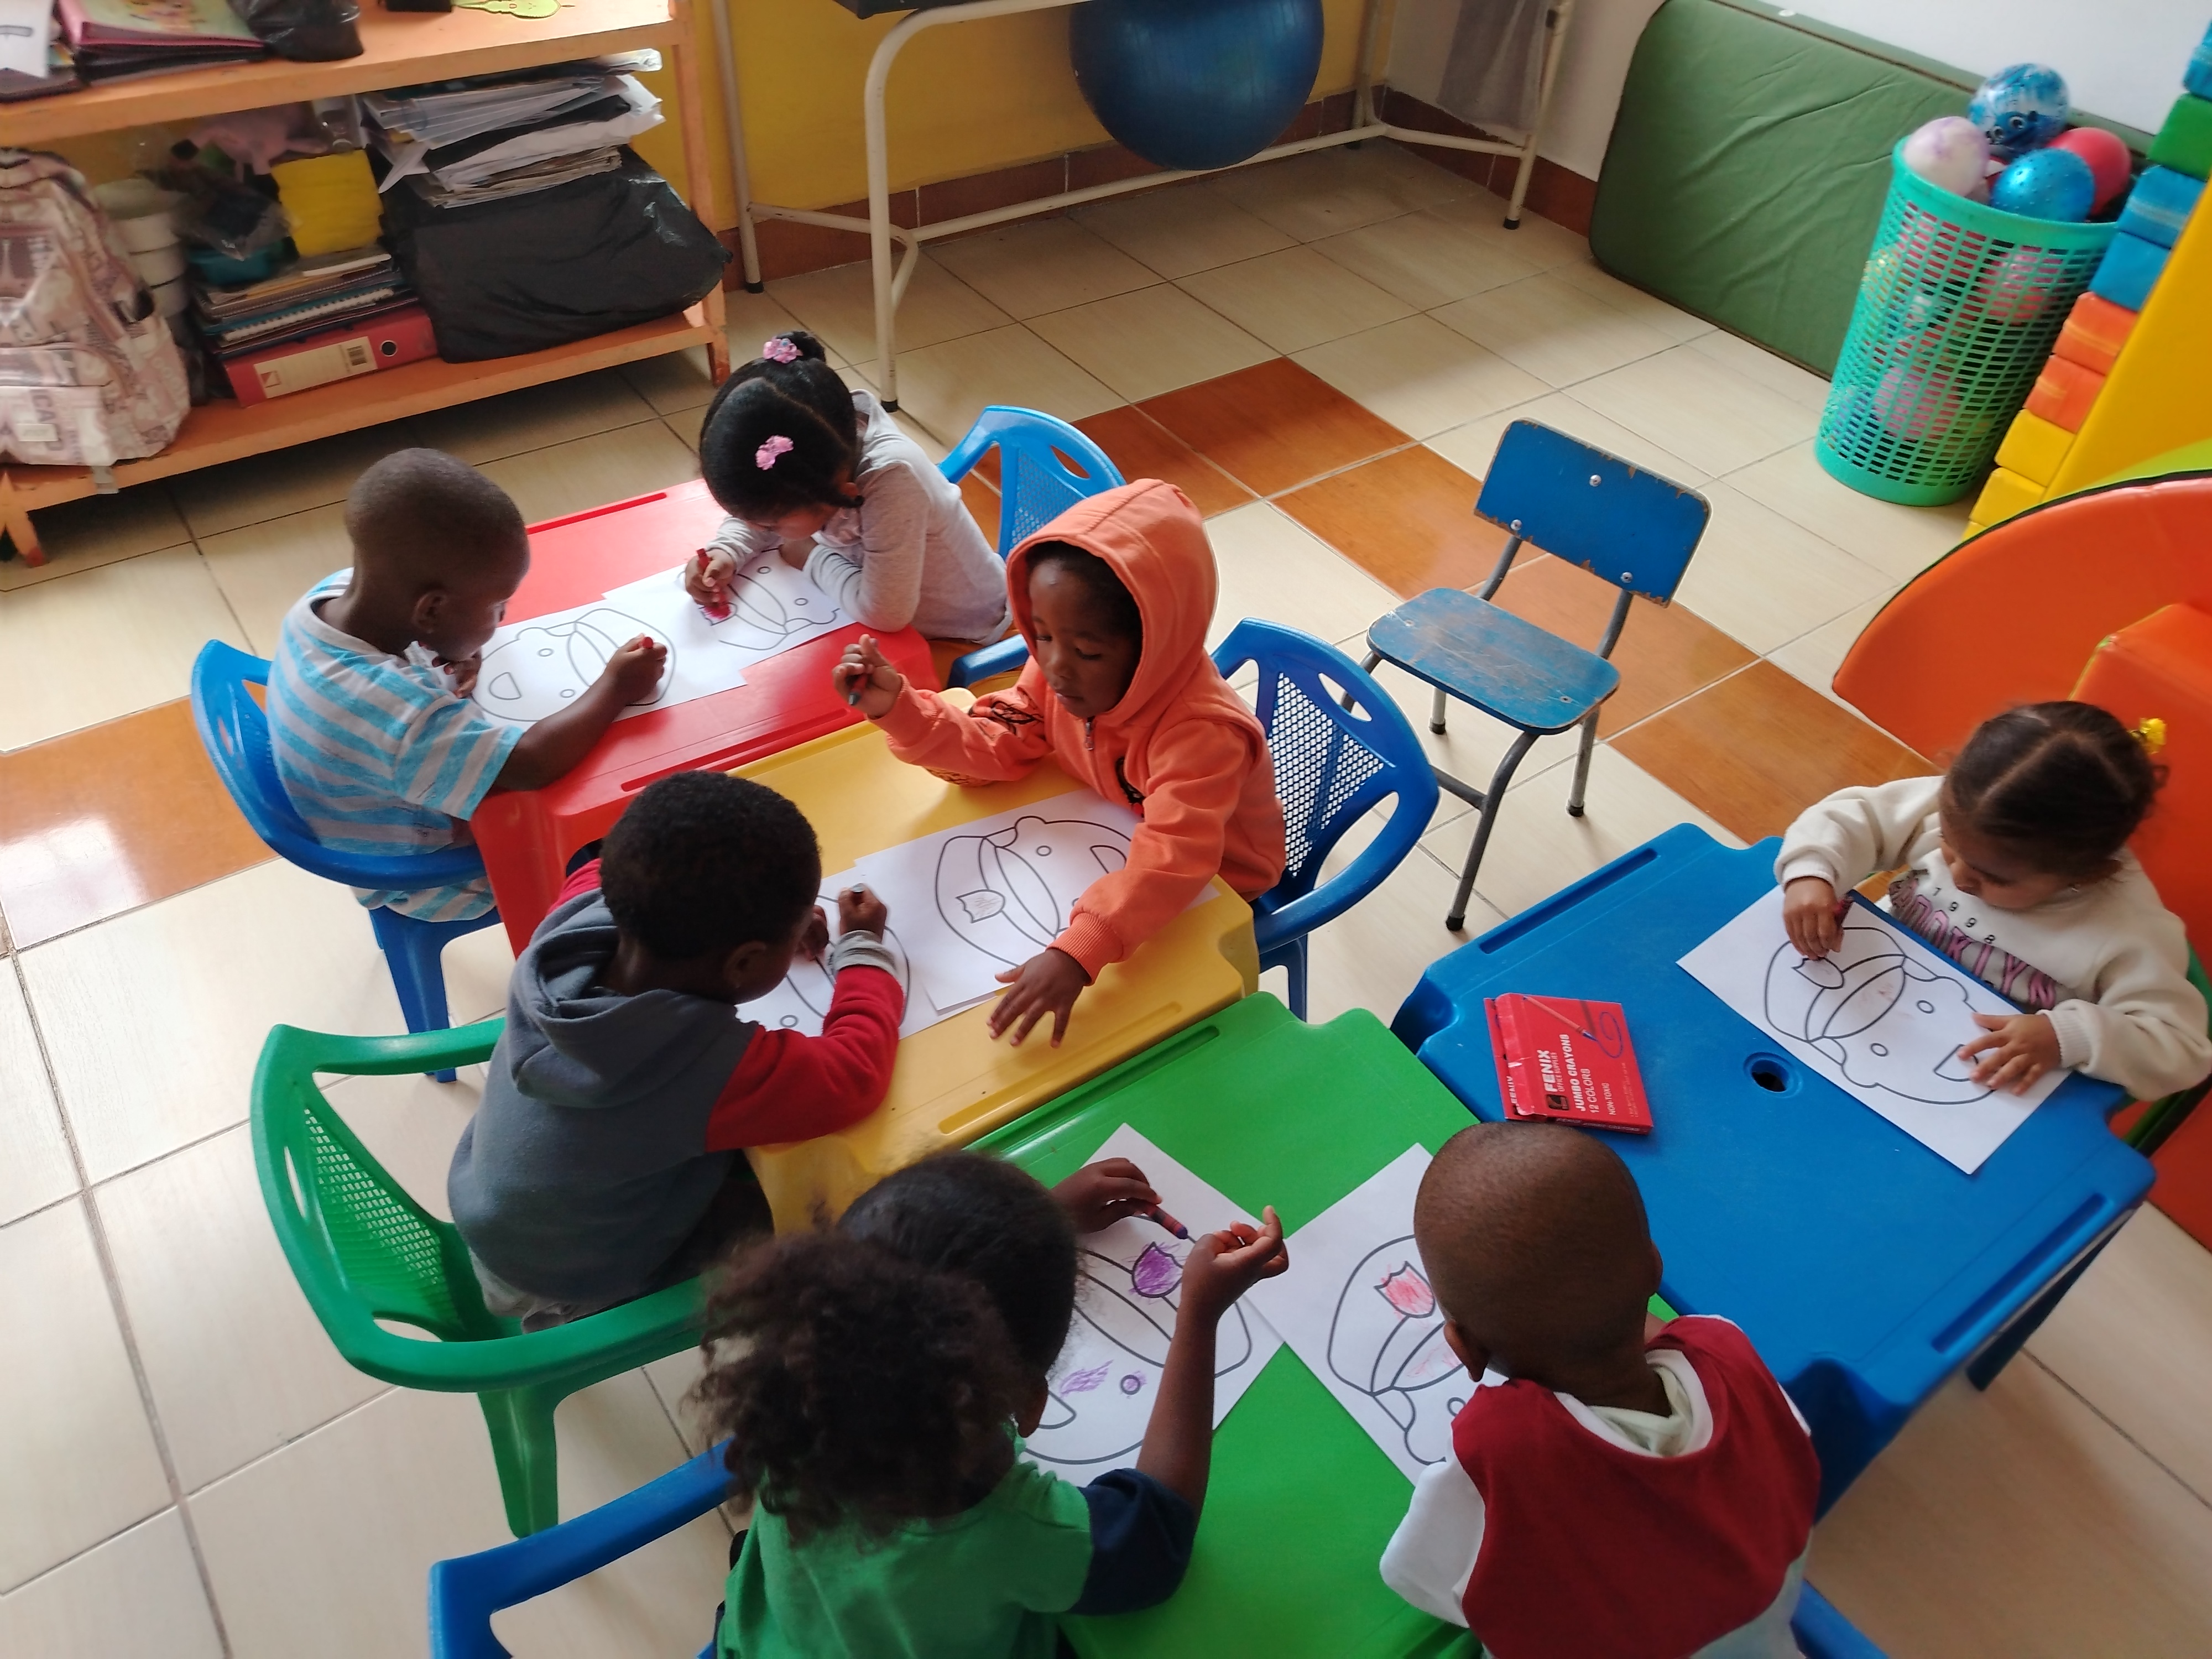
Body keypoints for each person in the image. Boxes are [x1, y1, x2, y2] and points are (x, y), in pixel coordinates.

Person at [693, 1149, 1288, 1658]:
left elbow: (912, 1286)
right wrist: (1199, 1315)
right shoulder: (1008, 1529)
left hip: (758, 1639)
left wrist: (1039, 1225)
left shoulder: (802, 1386)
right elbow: (1155, 1540)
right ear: (1028, 1404)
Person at [833, 479, 1287, 1046]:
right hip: (1112, 832)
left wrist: (1080, 950)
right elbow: (1001, 739)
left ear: (1154, 646)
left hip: (1220, 883)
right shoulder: (1059, 673)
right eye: (1042, 635)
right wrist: (900, 710)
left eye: (1087, 651)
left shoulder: (1203, 735)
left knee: (1137, 1033)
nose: (1055, 667)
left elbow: (1178, 858)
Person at [447, 770, 902, 1329]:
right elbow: (853, 1074)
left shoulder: (578, 915)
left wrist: (778, 926)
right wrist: (861, 947)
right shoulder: (700, 1065)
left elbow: (599, 865)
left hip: (498, 1213)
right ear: (743, 961)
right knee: (823, 1215)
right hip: (569, 1279)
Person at [1381, 1123, 1820, 1658]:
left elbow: (1415, 1576)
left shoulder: (1500, 1451)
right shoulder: (1726, 1348)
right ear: (1654, 1269)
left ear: (1466, 1351)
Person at [267, 447, 665, 924]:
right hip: (431, 875)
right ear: (431, 610)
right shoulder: (400, 715)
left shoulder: (332, 597)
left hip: (360, 810)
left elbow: (410, 669)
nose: (505, 615)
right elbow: (530, 764)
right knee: (627, 833)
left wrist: (448, 648)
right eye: (497, 606)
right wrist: (616, 685)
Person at [1777, 701, 2210, 1102]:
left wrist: (2066, 1036)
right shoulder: (1974, 808)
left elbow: (2182, 1048)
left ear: (2086, 874)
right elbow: (1855, 818)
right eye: (1949, 846)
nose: (1958, 876)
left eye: (1994, 879)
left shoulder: (2127, 929)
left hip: (1963, 1080)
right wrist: (1813, 872)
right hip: (1857, 992)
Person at [683, 331, 1010, 651]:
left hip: (964, 632)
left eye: (770, 526)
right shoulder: (818, 449)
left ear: (843, 493)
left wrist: (811, 556)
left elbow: (885, 613)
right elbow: (765, 505)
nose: (758, 528)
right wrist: (728, 549)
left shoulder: (892, 483)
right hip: (886, 605)